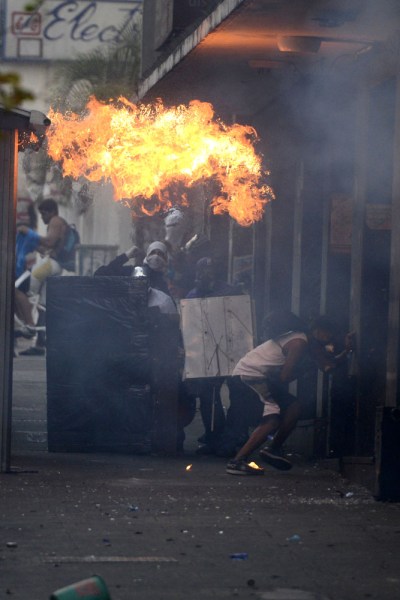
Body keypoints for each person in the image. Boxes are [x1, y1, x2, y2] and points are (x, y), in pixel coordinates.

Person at [226, 313, 354, 476]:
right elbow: (284, 378)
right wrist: (306, 368)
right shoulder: (299, 343)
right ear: (316, 330)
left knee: (294, 407)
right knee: (272, 419)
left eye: (332, 333)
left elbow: (327, 366)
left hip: (260, 377)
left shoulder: (310, 344)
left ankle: (273, 448)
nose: (329, 337)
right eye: (326, 332)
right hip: (250, 376)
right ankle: (237, 461)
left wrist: (347, 352)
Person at [183, 256, 244, 454]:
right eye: (202, 270)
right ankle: (214, 435)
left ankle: (231, 436)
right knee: (208, 395)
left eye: (210, 269)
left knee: (237, 394)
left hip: (230, 349)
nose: (206, 273)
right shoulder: (193, 294)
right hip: (206, 350)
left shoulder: (230, 291)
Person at [16, 199, 74, 356]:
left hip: (50, 265)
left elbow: (49, 242)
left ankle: (29, 325)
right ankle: (40, 344)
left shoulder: (55, 221)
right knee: (42, 305)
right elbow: (48, 246)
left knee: (19, 289)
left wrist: (29, 233)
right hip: (55, 265)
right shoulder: (60, 222)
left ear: (51, 212)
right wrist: (33, 244)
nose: (42, 218)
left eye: (43, 214)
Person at [94, 241, 170, 296]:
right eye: (153, 253)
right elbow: (101, 274)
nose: (156, 257)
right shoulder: (133, 271)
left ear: (165, 259)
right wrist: (125, 256)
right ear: (147, 256)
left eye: (160, 254)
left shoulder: (163, 283)